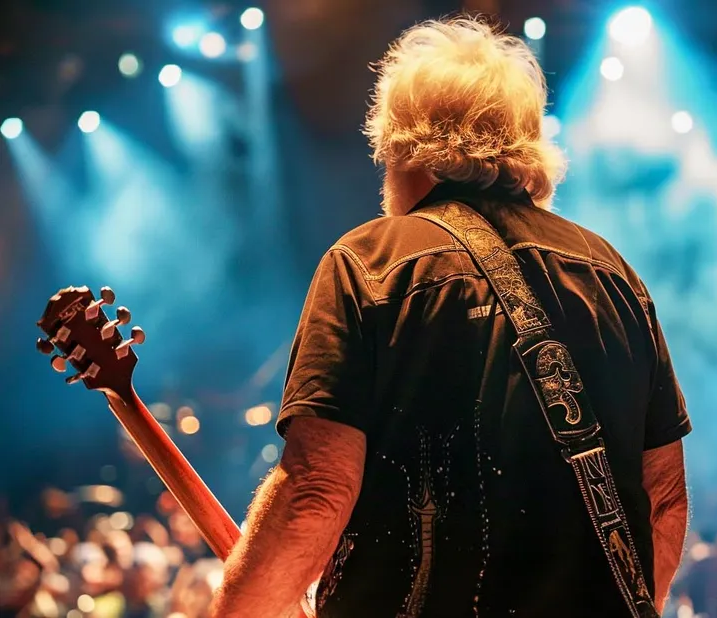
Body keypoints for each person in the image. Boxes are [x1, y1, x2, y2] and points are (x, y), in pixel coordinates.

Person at [211, 16, 691, 618]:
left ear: (402, 146)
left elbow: (317, 489)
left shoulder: (369, 264)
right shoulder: (614, 277)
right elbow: (665, 500)